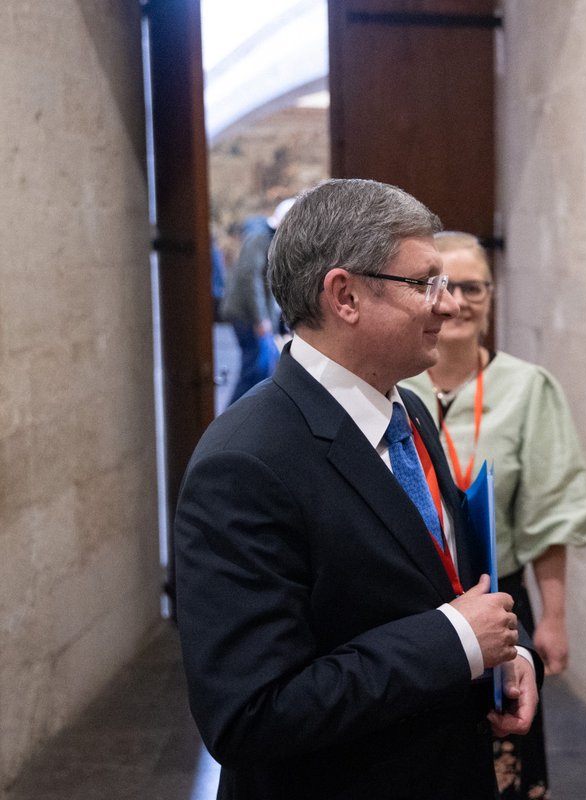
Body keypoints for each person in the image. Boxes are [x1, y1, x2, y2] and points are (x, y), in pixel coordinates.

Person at [173, 179, 540, 800]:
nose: (448, 306)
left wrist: (509, 652)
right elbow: (250, 714)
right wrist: (453, 642)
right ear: (344, 295)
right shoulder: (244, 463)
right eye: (425, 283)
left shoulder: (409, 412)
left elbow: (451, 584)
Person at [400, 231, 586, 800]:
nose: (457, 302)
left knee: (506, 750)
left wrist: (553, 620)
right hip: (414, 603)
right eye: (443, 286)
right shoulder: (391, 386)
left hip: (501, 596)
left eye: (472, 287)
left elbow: (549, 513)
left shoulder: (528, 388)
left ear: (491, 294)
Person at [219, 198, 293, 404]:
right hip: (247, 315)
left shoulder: (265, 237)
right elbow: (250, 278)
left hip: (251, 314)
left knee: (259, 367)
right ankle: (233, 418)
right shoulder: (260, 237)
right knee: (254, 369)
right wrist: (261, 319)